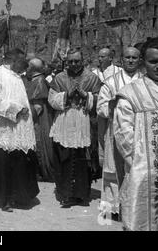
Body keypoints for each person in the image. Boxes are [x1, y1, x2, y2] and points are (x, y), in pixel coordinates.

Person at [114, 36, 158, 231]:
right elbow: (123, 133)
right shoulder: (130, 93)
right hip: (143, 170)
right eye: (153, 61)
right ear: (144, 63)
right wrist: (137, 161)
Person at [48, 48, 102, 207]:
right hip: (64, 120)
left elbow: (101, 99)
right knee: (64, 157)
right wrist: (66, 95)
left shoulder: (92, 78)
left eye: (76, 61)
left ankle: (81, 194)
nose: (73, 64)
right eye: (70, 61)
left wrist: (87, 96)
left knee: (82, 159)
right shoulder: (59, 78)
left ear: (82, 60)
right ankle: (65, 194)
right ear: (66, 62)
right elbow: (51, 99)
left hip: (84, 121)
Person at [0, 51, 39, 212]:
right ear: (12, 60)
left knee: (19, 161)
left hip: (19, 129)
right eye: (22, 61)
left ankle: (18, 196)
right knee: (5, 163)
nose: (25, 65)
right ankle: (6, 198)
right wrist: (17, 110)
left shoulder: (16, 76)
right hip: (3, 129)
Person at [97, 46, 143, 219]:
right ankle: (112, 208)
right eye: (127, 57)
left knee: (135, 170)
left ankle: (133, 208)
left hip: (139, 134)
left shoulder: (145, 81)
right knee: (113, 170)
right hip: (115, 132)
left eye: (134, 57)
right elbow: (100, 107)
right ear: (121, 60)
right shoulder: (111, 82)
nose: (131, 60)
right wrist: (111, 105)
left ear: (140, 60)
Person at [24, 58, 55, 182]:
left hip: (39, 119)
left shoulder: (39, 81)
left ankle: (43, 171)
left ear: (31, 67)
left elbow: (37, 106)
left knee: (40, 142)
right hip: (41, 116)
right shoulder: (38, 79)